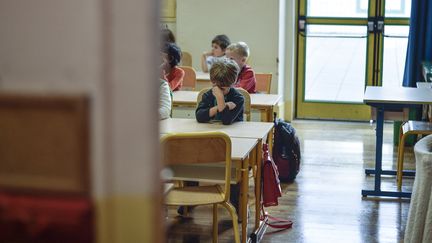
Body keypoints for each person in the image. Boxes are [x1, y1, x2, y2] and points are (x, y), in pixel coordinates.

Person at [196, 59, 244, 125]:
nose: (218, 91)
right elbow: (199, 117)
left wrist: (219, 98)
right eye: (215, 87)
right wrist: (223, 106)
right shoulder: (208, 95)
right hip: (212, 131)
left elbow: (226, 120)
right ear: (211, 81)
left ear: (233, 82)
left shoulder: (238, 98)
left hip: (233, 133)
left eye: (222, 89)